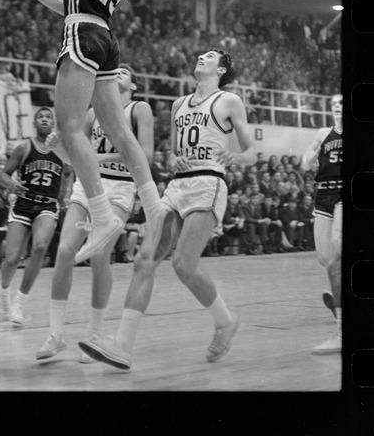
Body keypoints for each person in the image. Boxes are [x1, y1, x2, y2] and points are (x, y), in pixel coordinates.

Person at [1, 0, 168, 264]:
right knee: (119, 131)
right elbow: (71, 5)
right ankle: (153, 205)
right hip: (105, 39)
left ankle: (102, 215)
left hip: (83, 37)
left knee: (69, 130)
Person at [80, 48, 255, 370]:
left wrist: (236, 157)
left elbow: (252, 153)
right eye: (201, 54)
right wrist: (173, 159)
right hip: (177, 186)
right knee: (144, 260)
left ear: (222, 69)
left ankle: (225, 320)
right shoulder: (178, 105)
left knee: (183, 265)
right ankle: (122, 346)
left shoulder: (229, 101)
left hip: (208, 182)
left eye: (210, 56)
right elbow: (173, 153)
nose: (202, 57)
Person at [36, 64, 154, 362]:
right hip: (89, 184)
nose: (119, 72)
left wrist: (97, 157)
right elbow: (76, 158)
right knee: (64, 252)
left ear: (134, 86)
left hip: (120, 187)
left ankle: (95, 334)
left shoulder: (139, 109)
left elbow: (146, 156)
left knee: (100, 255)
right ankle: (55, 334)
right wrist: (57, 148)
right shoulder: (91, 112)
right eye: (117, 70)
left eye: (126, 72)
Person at [0, 108, 73, 326]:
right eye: (41, 117)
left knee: (40, 247)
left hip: (47, 205)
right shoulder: (24, 148)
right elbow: (2, 174)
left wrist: (66, 193)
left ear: (53, 123)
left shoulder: (62, 151)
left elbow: (69, 173)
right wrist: (12, 184)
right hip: (23, 204)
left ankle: (20, 301)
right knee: (11, 259)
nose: (45, 119)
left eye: (48, 117)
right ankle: (3, 291)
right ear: (35, 123)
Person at [301, 92, 343, 354]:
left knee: (337, 251)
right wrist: (309, 156)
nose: (337, 107)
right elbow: (305, 164)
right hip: (324, 194)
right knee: (325, 259)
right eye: (334, 104)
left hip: (345, 192)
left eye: (342, 103)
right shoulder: (323, 133)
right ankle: (340, 297)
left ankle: (341, 332)